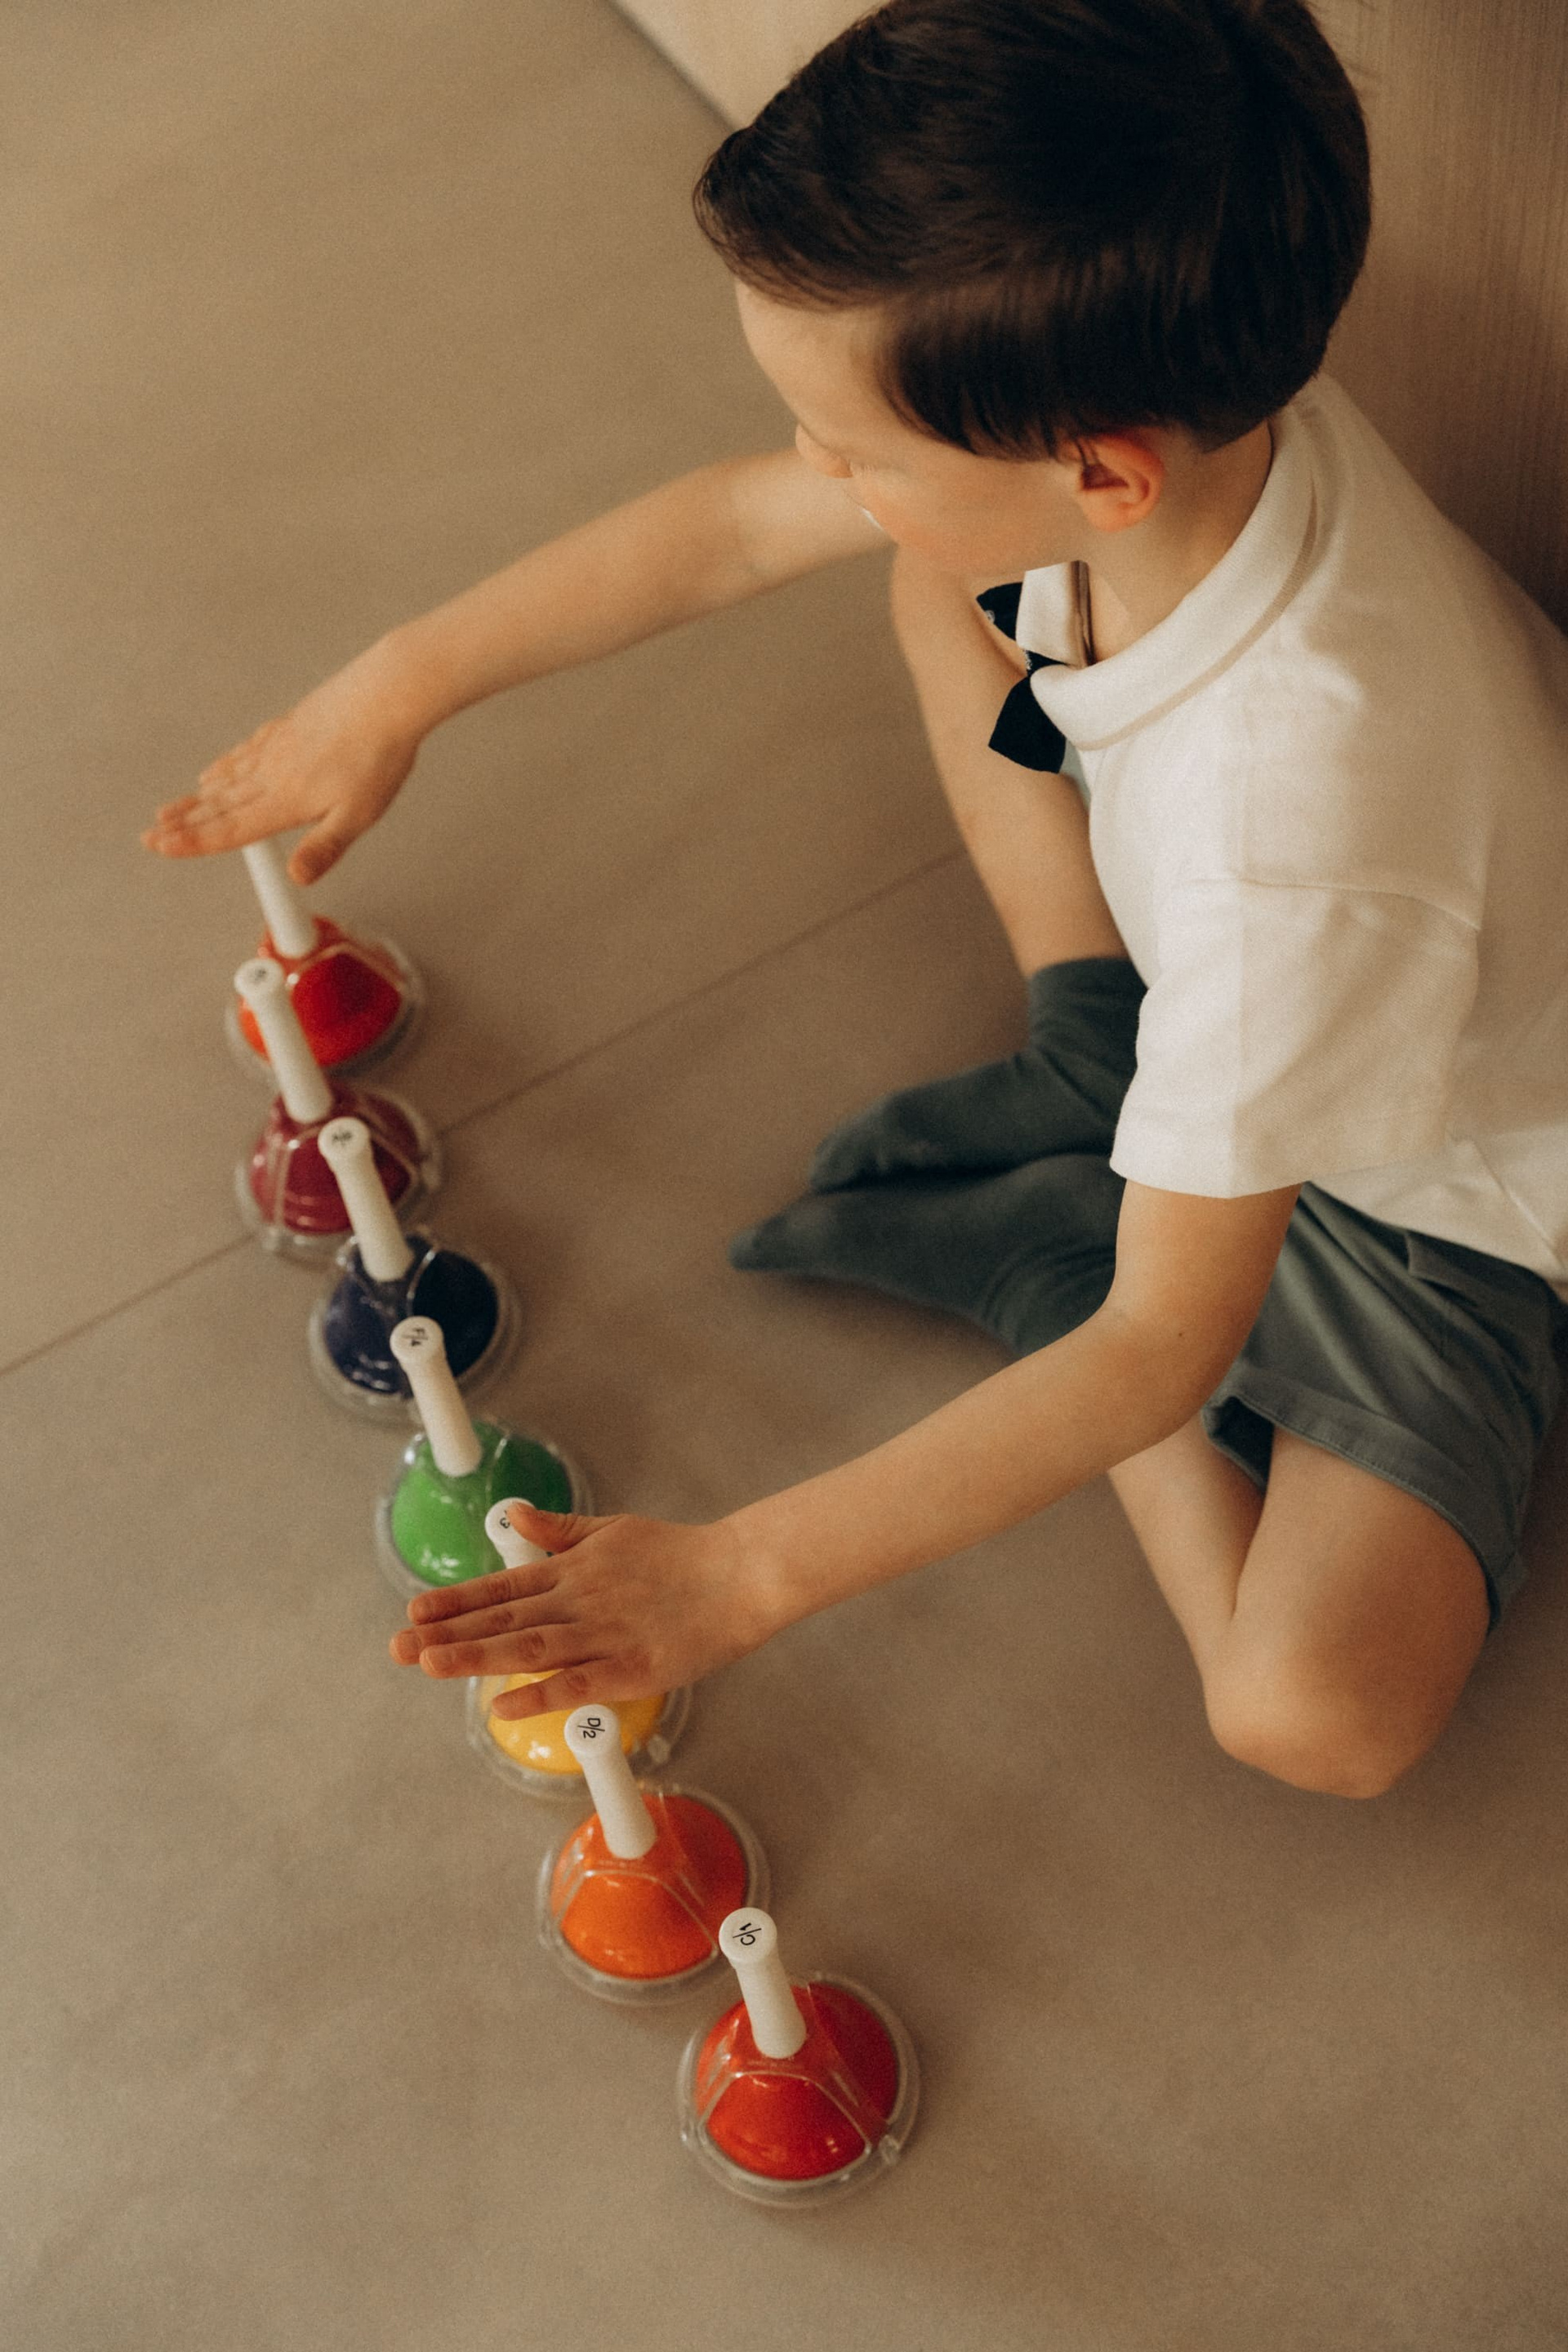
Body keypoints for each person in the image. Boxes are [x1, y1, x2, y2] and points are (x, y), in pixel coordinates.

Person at [145, 0, 1568, 1799]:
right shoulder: (1197, 418)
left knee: (1311, 1713)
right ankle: (1104, 1045)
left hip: (1440, 1181)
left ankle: (1073, 1233)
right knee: (933, 578)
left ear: (1099, 468)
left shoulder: (1292, 844)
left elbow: (1163, 1347)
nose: (816, 470)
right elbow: (739, 530)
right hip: (1279, 966)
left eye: (856, 445)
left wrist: (738, 1574)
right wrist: (396, 686)